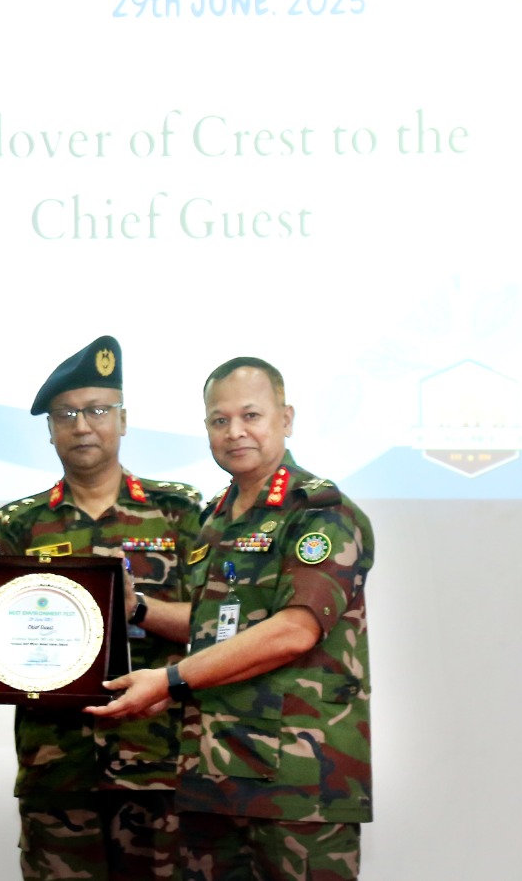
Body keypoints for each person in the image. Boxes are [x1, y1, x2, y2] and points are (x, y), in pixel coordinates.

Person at [86, 357, 374, 881]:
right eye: (220, 420)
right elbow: (211, 627)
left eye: (251, 415)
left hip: (297, 781)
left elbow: (294, 631)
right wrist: (138, 609)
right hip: (212, 774)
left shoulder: (320, 512)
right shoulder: (214, 520)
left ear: (286, 418)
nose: (235, 431)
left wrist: (170, 680)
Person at [0, 335, 203, 880]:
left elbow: (215, 629)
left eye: (98, 410)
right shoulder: (20, 525)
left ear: (123, 420)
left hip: (160, 763)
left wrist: (138, 608)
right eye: (66, 414)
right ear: (50, 430)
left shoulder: (178, 512)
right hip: (58, 768)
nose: (82, 425)